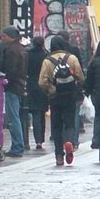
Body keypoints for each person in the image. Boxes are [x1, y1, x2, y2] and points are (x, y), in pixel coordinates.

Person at [38, 35, 85, 166]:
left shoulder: (47, 61)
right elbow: (81, 77)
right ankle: (69, 141)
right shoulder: (72, 58)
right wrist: (76, 88)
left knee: (56, 126)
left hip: (55, 97)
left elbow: (42, 82)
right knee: (69, 123)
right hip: (70, 96)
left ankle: (59, 155)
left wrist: (50, 90)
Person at [0, 26, 27, 158]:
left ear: (9, 37)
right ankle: (19, 144)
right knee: (16, 116)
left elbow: (11, 70)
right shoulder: (21, 49)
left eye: (3, 36)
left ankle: (17, 146)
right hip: (20, 86)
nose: (2, 38)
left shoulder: (11, 51)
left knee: (13, 117)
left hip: (12, 87)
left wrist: (6, 80)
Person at [25, 35, 49, 150]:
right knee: (42, 112)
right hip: (43, 85)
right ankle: (41, 139)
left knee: (35, 112)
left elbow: (26, 70)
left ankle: (37, 140)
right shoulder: (46, 56)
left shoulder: (28, 55)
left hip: (32, 84)